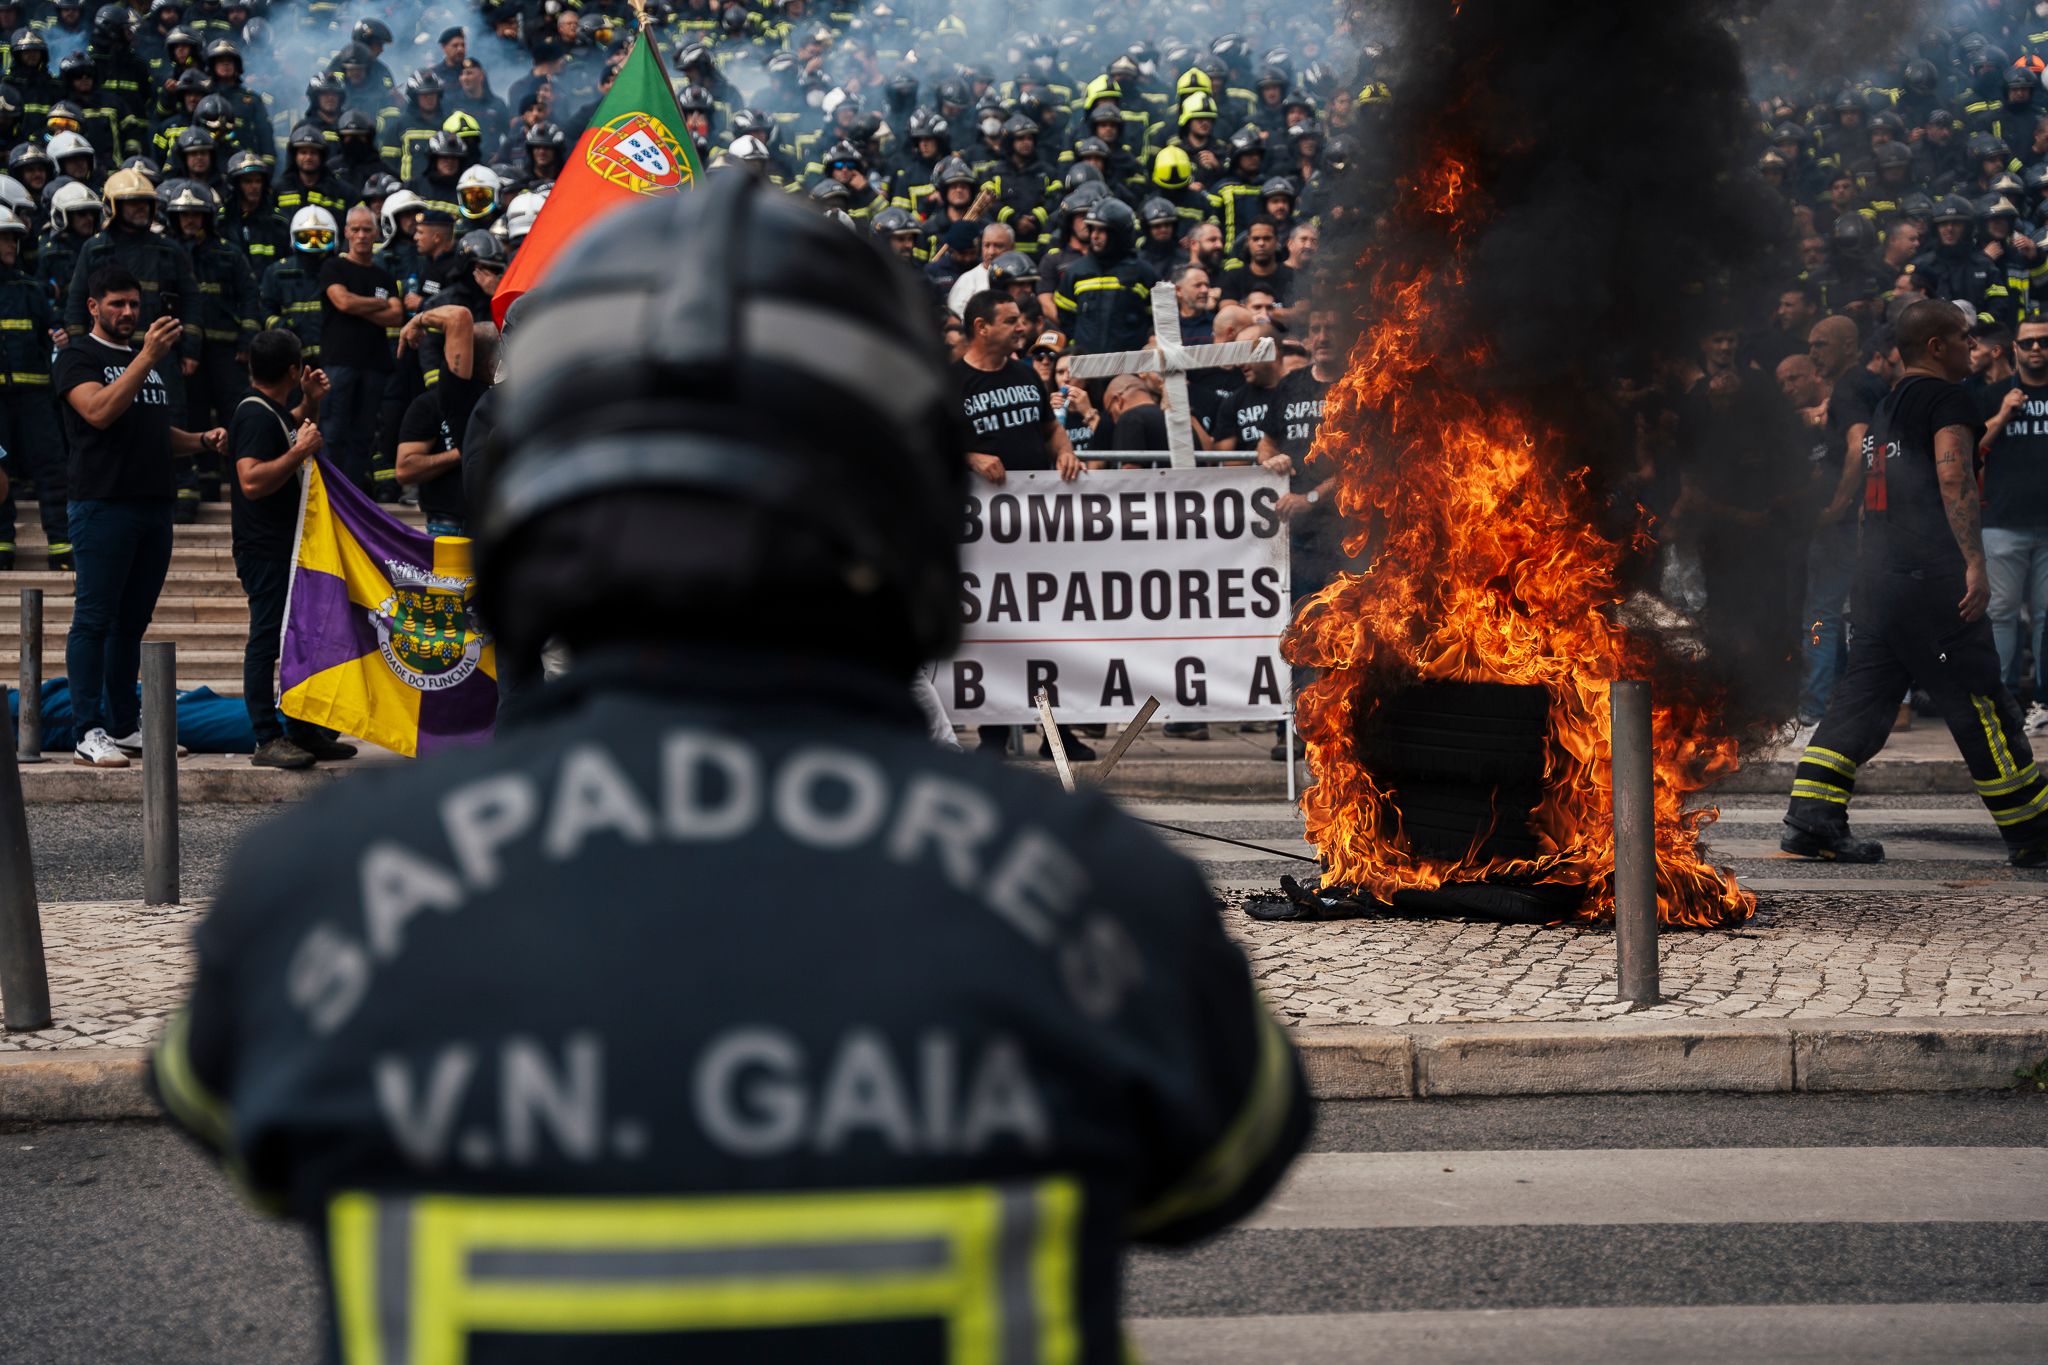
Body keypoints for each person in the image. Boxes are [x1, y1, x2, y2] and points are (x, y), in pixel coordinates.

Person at [149, 173, 1309, 1362]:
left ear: (537, 502)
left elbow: (236, 1129)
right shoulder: (1098, 893)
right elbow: (1214, 1169)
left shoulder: (319, 889)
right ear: (902, 504)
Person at [1783, 299, 2048, 867]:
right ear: (1936, 346)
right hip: (1931, 581)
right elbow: (1954, 477)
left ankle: (1812, 819)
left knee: (1863, 700)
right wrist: (1974, 562)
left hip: (1880, 581)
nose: (1971, 347)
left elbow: (1869, 500)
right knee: (1982, 701)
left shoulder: (1887, 406)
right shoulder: (1947, 398)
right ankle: (2033, 832)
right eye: (1962, 337)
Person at [56, 265, 223, 768]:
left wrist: (199, 441)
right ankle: (88, 729)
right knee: (93, 620)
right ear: (93, 307)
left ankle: (125, 726)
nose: (128, 312)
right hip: (102, 505)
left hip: (153, 505)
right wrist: (148, 355)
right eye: (116, 304)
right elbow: (100, 412)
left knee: (131, 624)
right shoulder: (76, 356)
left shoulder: (146, 363)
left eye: (133, 303)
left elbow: (152, 428)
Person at [226, 328, 357, 770]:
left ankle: (301, 730)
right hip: (264, 550)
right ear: (292, 369)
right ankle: (266, 736)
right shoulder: (253, 415)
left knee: (298, 638)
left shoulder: (272, 412)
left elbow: (291, 426)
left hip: (287, 547)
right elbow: (251, 480)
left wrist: (311, 403)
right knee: (266, 640)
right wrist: (300, 451)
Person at [1974, 310, 2048, 732]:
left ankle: (2042, 702)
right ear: (2015, 349)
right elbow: (1972, 447)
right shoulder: (1994, 394)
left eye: (2044, 341)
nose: (2037, 348)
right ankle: (1999, 702)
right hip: (2003, 522)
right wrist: (2003, 413)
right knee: (2000, 614)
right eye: (2029, 342)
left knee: (2047, 616)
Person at [0, 204, 69, 572]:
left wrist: (58, 334)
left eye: (14, 237)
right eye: (5, 237)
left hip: (35, 397)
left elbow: (53, 329)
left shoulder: (30, 288)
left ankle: (61, 543)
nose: (13, 243)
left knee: (51, 467)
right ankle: (1, 543)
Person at [317, 204, 401, 495]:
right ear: (346, 233)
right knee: (333, 431)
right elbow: (342, 302)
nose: (362, 235)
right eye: (356, 229)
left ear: (376, 233)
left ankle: (352, 497)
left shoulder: (384, 276)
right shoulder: (333, 266)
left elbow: (396, 316)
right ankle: (329, 494)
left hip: (375, 365)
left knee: (363, 436)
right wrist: (377, 304)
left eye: (367, 229)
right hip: (339, 362)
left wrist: (358, 305)